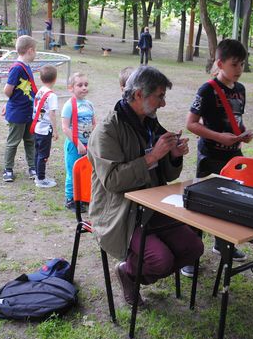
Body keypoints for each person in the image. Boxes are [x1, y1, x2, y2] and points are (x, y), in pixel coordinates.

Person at [87, 66, 204, 306]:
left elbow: (167, 175)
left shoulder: (149, 123)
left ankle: (138, 267)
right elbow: (112, 181)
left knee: (194, 247)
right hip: (120, 212)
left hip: (152, 206)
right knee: (160, 261)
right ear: (139, 94)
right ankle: (128, 272)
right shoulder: (107, 130)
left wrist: (172, 155)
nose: (163, 103)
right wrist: (152, 157)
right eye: (159, 96)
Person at [182, 39, 253, 277]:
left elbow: (236, 118)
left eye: (242, 64)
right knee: (202, 205)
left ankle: (223, 245)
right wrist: (218, 137)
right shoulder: (207, 90)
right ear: (220, 63)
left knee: (231, 203)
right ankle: (191, 254)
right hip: (210, 156)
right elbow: (191, 124)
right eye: (235, 64)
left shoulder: (241, 90)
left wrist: (242, 134)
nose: (239, 69)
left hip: (234, 157)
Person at [2, 35, 38, 182]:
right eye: (35, 50)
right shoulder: (17, 68)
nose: (36, 53)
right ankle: (8, 169)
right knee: (13, 141)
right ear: (29, 50)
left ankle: (32, 167)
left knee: (30, 140)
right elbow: (7, 90)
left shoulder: (26, 67)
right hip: (18, 112)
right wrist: (12, 103)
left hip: (28, 111)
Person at [61, 73, 96, 210]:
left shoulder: (89, 105)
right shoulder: (69, 105)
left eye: (86, 85)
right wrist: (78, 143)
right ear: (71, 88)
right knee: (73, 171)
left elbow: (94, 124)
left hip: (88, 145)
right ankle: (70, 198)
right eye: (80, 85)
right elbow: (65, 127)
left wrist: (93, 142)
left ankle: (83, 196)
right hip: (74, 145)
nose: (84, 88)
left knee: (86, 170)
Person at [32, 65, 59, 188]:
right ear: (55, 79)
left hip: (37, 127)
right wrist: (55, 130)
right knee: (43, 155)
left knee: (37, 153)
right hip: (45, 129)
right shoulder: (51, 95)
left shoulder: (40, 91)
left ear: (41, 78)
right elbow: (52, 113)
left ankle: (38, 175)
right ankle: (41, 179)